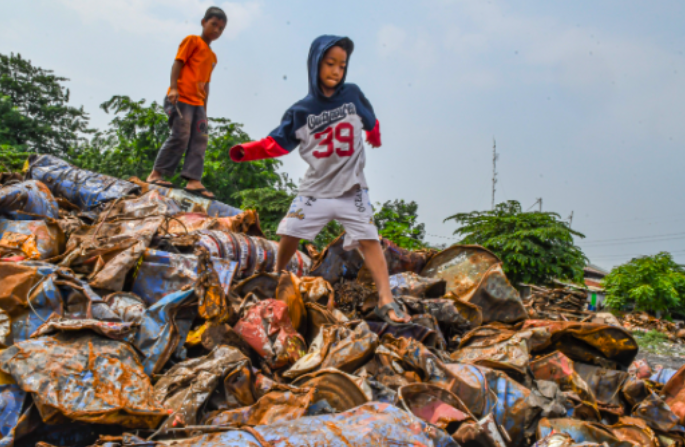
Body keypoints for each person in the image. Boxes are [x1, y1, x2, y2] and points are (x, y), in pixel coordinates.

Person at [229, 35, 410, 324]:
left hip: (353, 190)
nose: (336, 71)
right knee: (290, 232)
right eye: (330, 64)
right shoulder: (301, 111)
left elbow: (370, 118)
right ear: (315, 64)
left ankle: (386, 299)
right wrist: (245, 151)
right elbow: (276, 143)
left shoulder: (352, 94)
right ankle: (278, 276)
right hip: (316, 190)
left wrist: (374, 134)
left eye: (342, 65)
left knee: (370, 240)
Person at [145, 6, 227, 199]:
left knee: (201, 139)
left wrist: (205, 110)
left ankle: (193, 180)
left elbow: (206, 84)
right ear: (203, 22)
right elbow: (178, 63)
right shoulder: (193, 41)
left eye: (221, 29)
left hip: (198, 104)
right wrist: (173, 88)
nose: (216, 30)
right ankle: (156, 174)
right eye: (213, 24)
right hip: (181, 96)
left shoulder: (213, 57)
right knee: (181, 135)